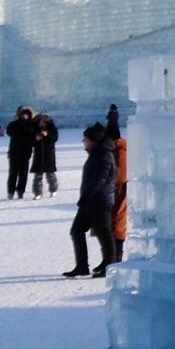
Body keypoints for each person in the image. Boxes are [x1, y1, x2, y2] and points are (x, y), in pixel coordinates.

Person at [63, 124, 118, 279]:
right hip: (91, 200)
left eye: (85, 139)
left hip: (99, 201)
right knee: (77, 231)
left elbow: (99, 180)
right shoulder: (96, 153)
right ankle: (82, 266)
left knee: (104, 233)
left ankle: (109, 265)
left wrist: (87, 197)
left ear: (93, 140)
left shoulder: (103, 155)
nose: (83, 141)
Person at [108, 119, 129, 261]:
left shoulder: (118, 151)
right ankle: (113, 256)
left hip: (118, 191)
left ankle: (116, 257)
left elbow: (119, 176)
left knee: (117, 224)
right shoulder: (120, 149)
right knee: (115, 224)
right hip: (116, 190)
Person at [5, 106, 36, 200]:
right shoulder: (13, 124)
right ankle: (11, 192)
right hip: (14, 152)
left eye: (26, 114)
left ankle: (20, 191)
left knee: (23, 174)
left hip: (25, 153)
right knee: (13, 173)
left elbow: (33, 138)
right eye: (23, 114)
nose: (24, 116)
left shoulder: (32, 125)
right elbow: (10, 132)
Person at [30, 113, 60, 199]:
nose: (41, 123)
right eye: (40, 121)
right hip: (38, 155)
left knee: (50, 174)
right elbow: (32, 142)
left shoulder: (52, 129)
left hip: (49, 154)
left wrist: (47, 135)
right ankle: (37, 193)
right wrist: (36, 139)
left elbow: (54, 138)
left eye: (43, 121)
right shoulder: (35, 129)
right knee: (37, 175)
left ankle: (53, 189)